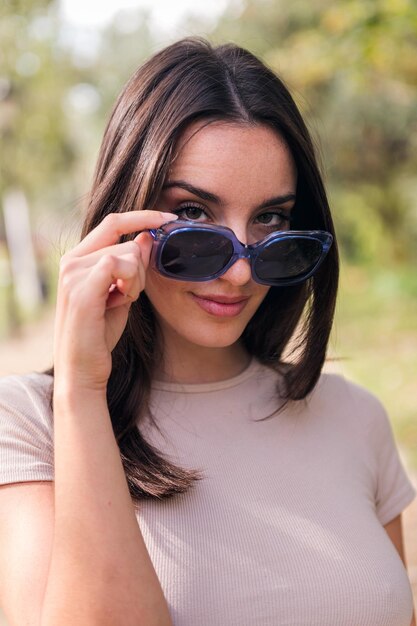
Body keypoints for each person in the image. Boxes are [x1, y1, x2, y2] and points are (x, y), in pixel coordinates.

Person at [0, 37, 415, 626]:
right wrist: (81, 392)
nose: (241, 270)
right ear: (127, 214)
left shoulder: (356, 417)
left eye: (271, 218)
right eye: (193, 215)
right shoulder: (30, 426)